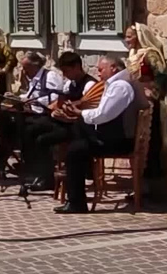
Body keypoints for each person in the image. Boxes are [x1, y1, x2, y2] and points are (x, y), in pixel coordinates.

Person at [54, 56, 149, 214]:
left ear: (113, 68)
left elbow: (104, 115)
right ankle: (77, 177)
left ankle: (76, 201)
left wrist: (80, 112)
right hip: (114, 135)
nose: (98, 73)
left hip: (119, 140)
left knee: (75, 150)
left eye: (101, 69)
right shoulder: (116, 84)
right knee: (76, 133)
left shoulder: (120, 86)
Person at [21, 51, 97, 190]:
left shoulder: (89, 85)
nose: (64, 75)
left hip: (80, 128)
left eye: (67, 71)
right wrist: (57, 111)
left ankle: (48, 179)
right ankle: (35, 171)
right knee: (32, 127)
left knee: (43, 139)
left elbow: (90, 110)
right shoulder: (69, 84)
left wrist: (68, 115)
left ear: (76, 67)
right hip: (65, 122)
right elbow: (60, 103)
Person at [125, 23, 167, 184]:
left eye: (130, 36)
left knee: (150, 143)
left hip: (150, 105)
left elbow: (163, 74)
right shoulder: (134, 54)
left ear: (139, 36)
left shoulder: (150, 55)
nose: (127, 40)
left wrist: (153, 92)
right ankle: (139, 183)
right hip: (137, 103)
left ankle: (151, 184)